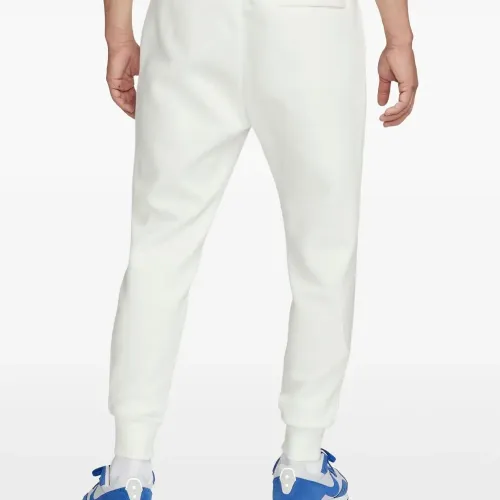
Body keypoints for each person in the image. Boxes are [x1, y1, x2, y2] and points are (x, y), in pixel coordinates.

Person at [83, 0, 417, 498]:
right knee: (323, 250)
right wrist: (399, 37)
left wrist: (118, 33)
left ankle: (127, 469)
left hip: (189, 23)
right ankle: (303, 463)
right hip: (312, 27)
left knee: (160, 247)